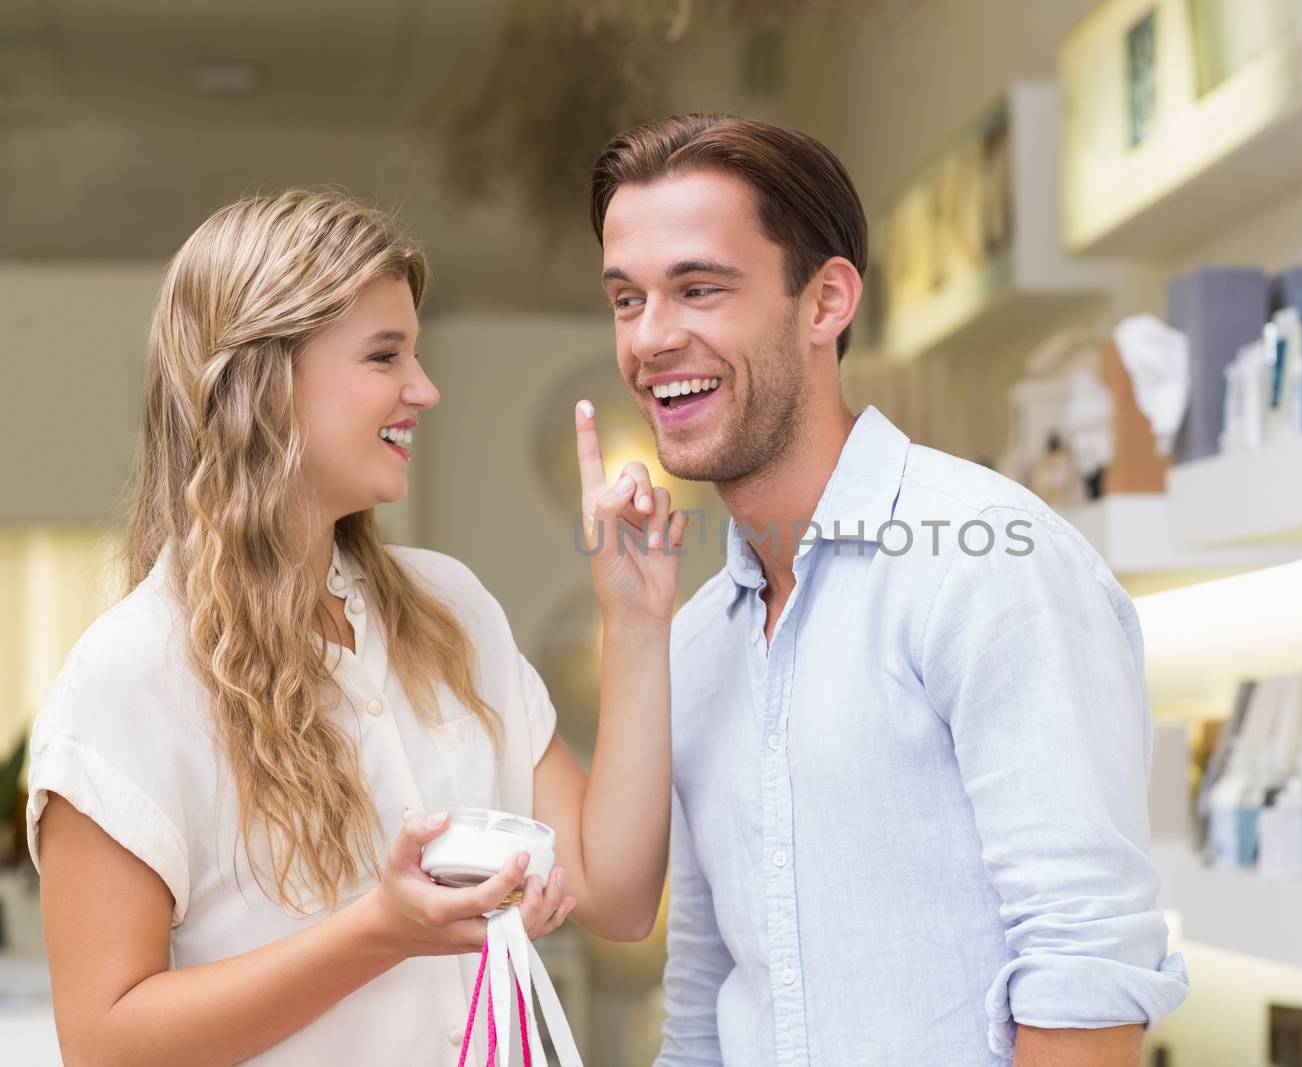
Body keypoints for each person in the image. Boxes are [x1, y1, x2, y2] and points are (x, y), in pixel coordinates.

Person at [27, 189, 685, 1065]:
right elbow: (103, 1042)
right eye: (385, 356)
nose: (425, 388)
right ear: (259, 384)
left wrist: (635, 622)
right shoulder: (129, 675)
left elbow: (616, 892)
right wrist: (380, 932)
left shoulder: (452, 610)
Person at [587, 115, 1189, 1067]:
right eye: (628, 300)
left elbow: (1088, 969)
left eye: (698, 288)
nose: (653, 338)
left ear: (825, 301)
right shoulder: (697, 638)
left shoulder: (990, 562)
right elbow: (705, 1001)